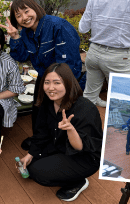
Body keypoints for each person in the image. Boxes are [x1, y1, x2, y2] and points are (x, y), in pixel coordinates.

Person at [0, 0, 85, 151]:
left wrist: (56, 85)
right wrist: (15, 37)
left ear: (35, 7)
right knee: (38, 109)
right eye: (18, 15)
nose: (24, 17)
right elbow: (22, 56)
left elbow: (70, 63)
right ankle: (39, 138)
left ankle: (57, 144)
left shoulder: (58, 25)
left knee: (59, 112)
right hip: (44, 76)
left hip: (66, 79)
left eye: (26, 11)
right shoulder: (25, 33)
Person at [17, 63, 102, 202]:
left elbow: (80, 148)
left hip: (84, 157)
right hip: (60, 145)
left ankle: (78, 182)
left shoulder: (86, 109)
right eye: (47, 82)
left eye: (57, 83)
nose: (51, 88)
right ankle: (60, 168)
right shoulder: (48, 102)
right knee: (29, 165)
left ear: (68, 83)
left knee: (38, 173)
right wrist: (30, 154)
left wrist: (70, 129)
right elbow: (41, 133)